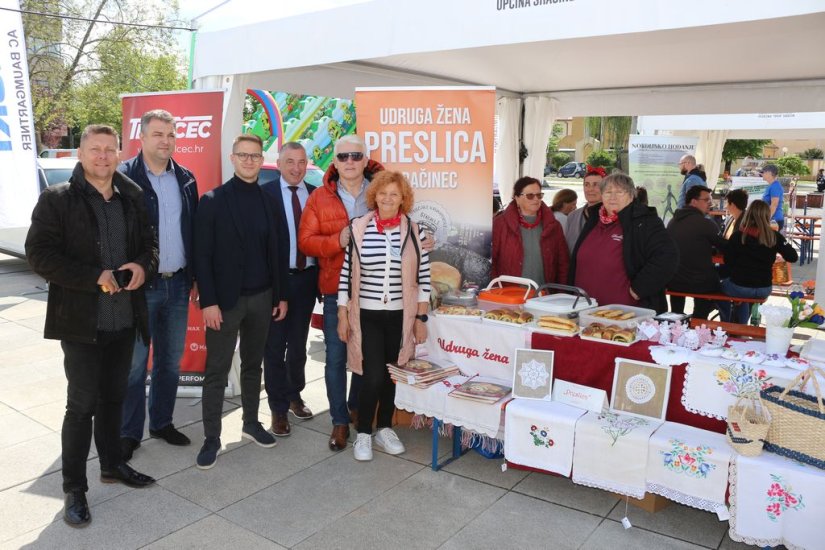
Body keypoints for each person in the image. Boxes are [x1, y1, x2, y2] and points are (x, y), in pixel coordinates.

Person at [25, 124, 158, 527]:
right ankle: (74, 489)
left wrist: (141, 266)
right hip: (82, 323)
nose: (103, 156)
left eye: (109, 150)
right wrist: (93, 276)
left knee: (114, 398)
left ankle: (113, 464)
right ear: (80, 154)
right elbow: (40, 255)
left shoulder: (132, 196)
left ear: (119, 153)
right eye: (95, 150)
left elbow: (149, 247)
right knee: (81, 407)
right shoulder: (57, 200)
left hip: (124, 319)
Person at [194, 134, 289, 469]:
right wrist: (208, 301)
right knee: (217, 370)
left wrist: (280, 296)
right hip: (225, 302)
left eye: (255, 156)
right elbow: (201, 256)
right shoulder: (213, 200)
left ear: (261, 159)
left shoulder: (268, 201)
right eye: (243, 155)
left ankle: (251, 423)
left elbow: (277, 252)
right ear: (232, 158)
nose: (250, 161)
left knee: (253, 365)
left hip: (263, 298)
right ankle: (211, 438)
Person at [119, 109, 198, 461]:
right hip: (141, 288)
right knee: (135, 365)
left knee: (169, 362)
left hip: (179, 284)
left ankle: (162, 423)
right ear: (142, 137)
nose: (165, 140)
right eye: (158, 134)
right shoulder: (124, 178)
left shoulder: (186, 179)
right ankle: (128, 432)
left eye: (171, 134)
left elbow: (193, 232)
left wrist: (195, 277)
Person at [336, 171, 430, 461]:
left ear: (404, 199)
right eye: (383, 193)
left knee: (392, 374)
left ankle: (385, 428)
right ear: (374, 196)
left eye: (394, 194)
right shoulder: (358, 228)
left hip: (400, 316)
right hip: (367, 313)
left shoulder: (415, 230)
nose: (388, 199)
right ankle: (364, 432)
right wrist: (342, 314)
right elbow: (346, 275)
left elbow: (423, 277)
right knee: (373, 375)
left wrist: (421, 318)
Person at [298, 135, 381, 452]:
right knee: (334, 358)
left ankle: (356, 407)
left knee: (366, 356)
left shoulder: (382, 192)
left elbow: (404, 228)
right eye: (343, 156)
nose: (349, 162)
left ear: (365, 159)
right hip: (336, 290)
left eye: (356, 156)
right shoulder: (319, 197)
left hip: (376, 290)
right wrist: (338, 239)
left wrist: (422, 238)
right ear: (334, 161)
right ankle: (338, 421)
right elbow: (306, 242)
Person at [261, 142, 318, 437]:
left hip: (307, 279)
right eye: (290, 162)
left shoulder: (317, 195)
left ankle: (295, 395)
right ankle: (278, 408)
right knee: (274, 347)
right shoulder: (265, 194)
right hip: (276, 281)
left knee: (299, 345)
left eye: (301, 161)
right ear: (280, 164)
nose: (296, 168)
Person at [569, 172, 678, 313]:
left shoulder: (644, 221)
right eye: (608, 192)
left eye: (619, 192)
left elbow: (667, 256)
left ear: (631, 196)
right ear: (602, 196)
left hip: (625, 314)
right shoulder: (594, 219)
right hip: (585, 309)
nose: (612, 197)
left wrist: (640, 288)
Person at [720, 200, 798, 324]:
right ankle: (739, 325)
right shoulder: (774, 237)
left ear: (748, 214)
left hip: (740, 287)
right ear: (767, 216)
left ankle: (727, 324)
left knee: (718, 287)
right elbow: (793, 257)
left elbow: (727, 261)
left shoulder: (738, 235)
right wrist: (779, 255)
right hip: (764, 288)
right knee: (744, 294)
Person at [491, 176, 568, 286]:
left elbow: (563, 263)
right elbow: (491, 262)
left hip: (544, 297)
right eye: (530, 196)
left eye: (539, 195)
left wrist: (560, 292)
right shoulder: (500, 224)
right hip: (509, 296)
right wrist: (497, 290)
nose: (536, 199)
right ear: (517, 198)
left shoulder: (553, 226)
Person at [666, 185, 727, 319]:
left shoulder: (672, 221)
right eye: (706, 200)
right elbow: (726, 248)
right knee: (722, 285)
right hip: (701, 284)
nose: (710, 204)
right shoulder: (706, 224)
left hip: (673, 282)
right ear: (694, 201)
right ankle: (698, 321)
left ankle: (678, 320)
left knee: (680, 287)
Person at [566, 165, 605, 251]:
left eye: (596, 185)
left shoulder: (612, 217)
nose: (590, 189)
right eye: (587, 185)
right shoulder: (572, 217)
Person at [760, 164, 784, 230]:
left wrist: (766, 220)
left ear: (769, 173)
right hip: (771, 220)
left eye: (763, 172)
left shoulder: (775, 186)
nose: (762, 174)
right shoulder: (771, 185)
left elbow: (774, 205)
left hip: (774, 221)